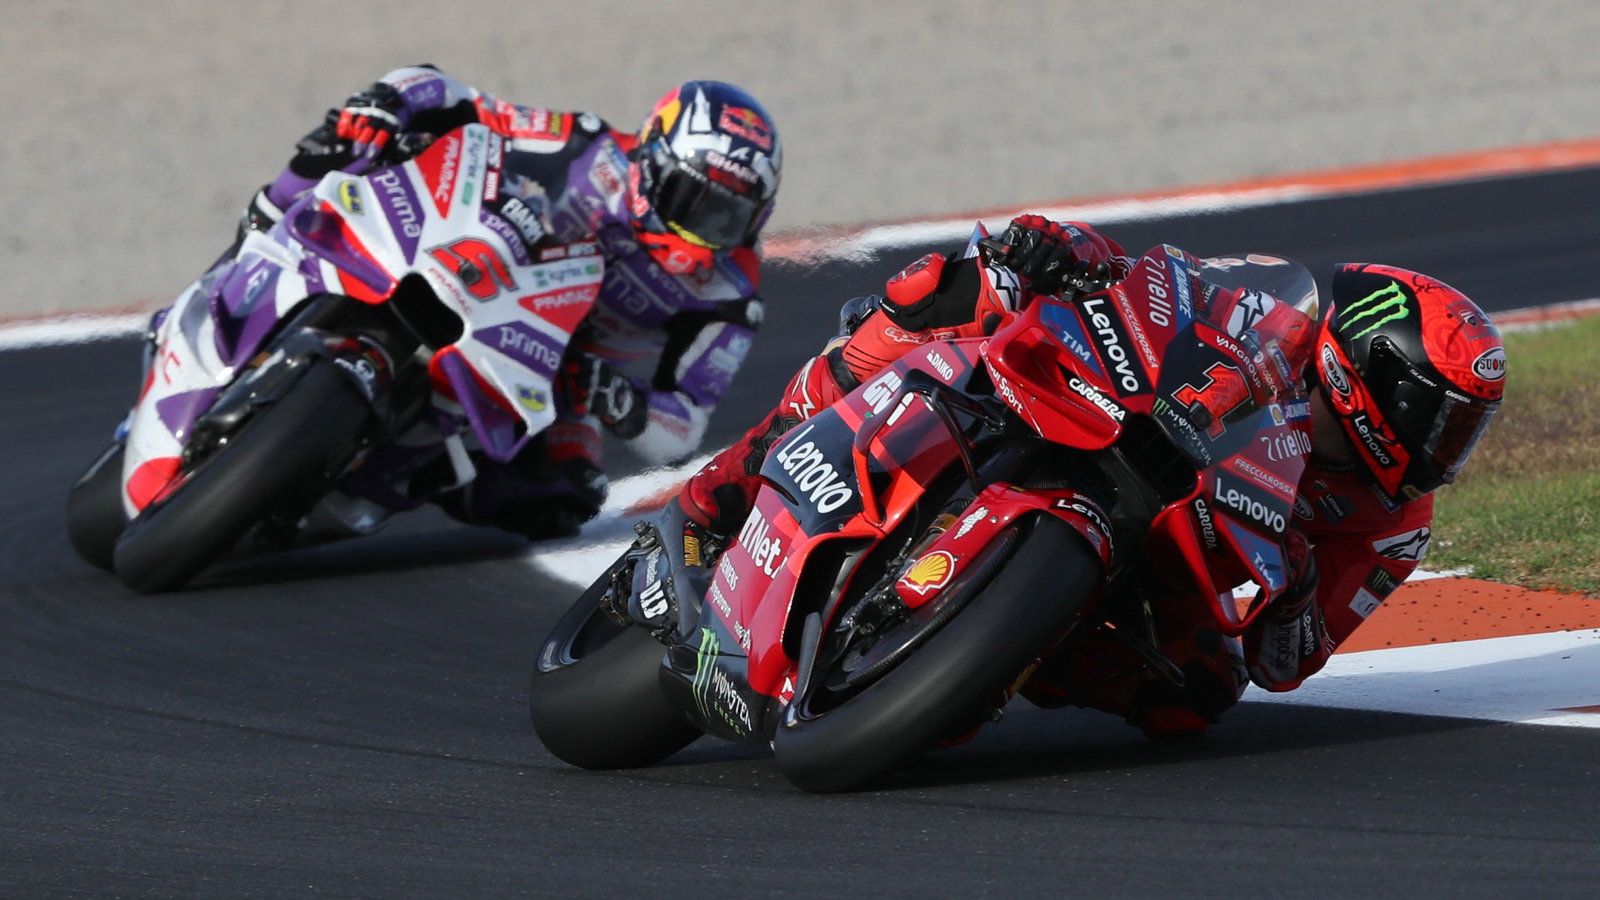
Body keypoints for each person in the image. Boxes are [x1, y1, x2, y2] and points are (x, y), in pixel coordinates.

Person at [664, 214, 1507, 737]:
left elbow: (1286, 661)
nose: (1445, 445)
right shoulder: (1272, 313)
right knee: (952, 286)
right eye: (1440, 414)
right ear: (1372, 365)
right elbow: (1163, 283)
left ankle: (991, 658)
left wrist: (1287, 585)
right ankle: (719, 492)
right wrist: (1068, 251)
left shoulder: (1394, 522)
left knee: (1199, 698)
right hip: (1108, 412)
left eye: (1463, 427)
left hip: (1189, 547)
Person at [203, 65, 782, 539]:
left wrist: (616, 397)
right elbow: (461, 99)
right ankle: (249, 252)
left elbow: (682, 427)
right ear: (653, 164)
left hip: (562, 372)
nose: (700, 230)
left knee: (561, 497)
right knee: (344, 144)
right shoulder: (587, 146)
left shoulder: (730, 295)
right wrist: (385, 102)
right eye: (691, 200)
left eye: (726, 217)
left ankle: (406, 477)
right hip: (469, 262)